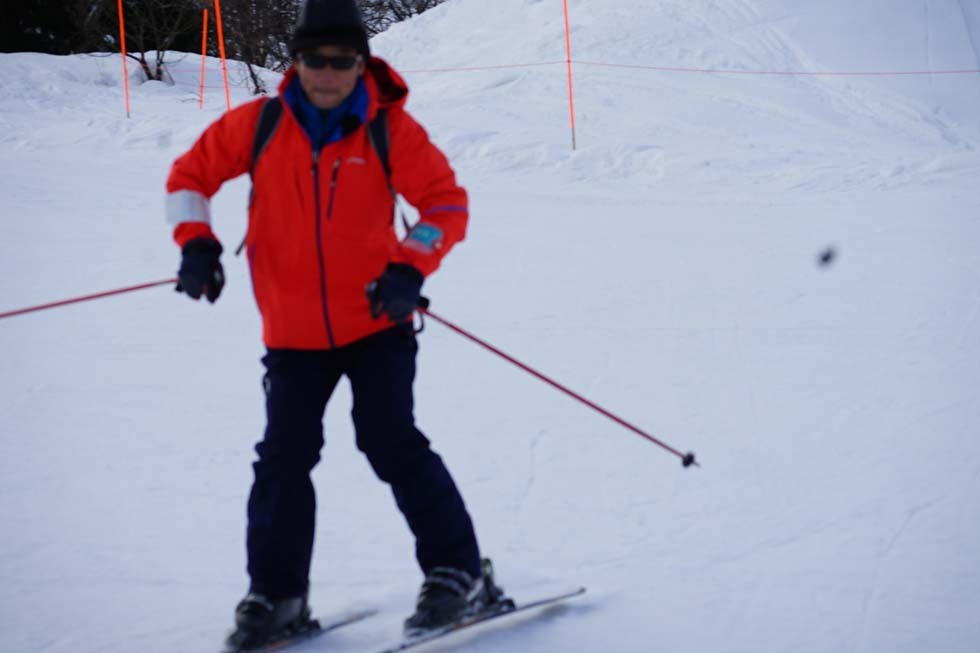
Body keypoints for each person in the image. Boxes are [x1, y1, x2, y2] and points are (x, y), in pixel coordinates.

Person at [165, 0, 504, 649]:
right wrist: (196, 244)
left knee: (390, 440)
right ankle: (278, 594)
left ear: (361, 62)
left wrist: (410, 266)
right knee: (283, 458)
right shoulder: (261, 124)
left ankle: (457, 572)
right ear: (295, 61)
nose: (327, 72)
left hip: (376, 323)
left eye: (341, 60)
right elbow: (189, 178)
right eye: (314, 59)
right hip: (291, 333)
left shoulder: (388, 128)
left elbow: (445, 203)